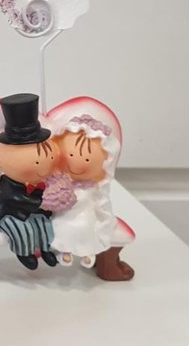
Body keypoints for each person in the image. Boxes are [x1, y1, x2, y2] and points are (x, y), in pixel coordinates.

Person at [0, 93, 58, 270]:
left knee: (44, 223)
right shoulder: (8, 186)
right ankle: (24, 252)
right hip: (8, 214)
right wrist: (43, 202)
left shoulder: (41, 183)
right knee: (22, 230)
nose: (43, 166)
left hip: (31, 212)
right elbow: (17, 199)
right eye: (36, 162)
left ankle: (46, 249)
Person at [49, 114, 120, 267]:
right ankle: (64, 250)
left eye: (87, 159)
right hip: (64, 216)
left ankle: (88, 251)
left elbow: (100, 203)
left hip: (86, 216)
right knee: (61, 226)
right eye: (71, 155)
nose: (77, 163)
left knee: (86, 227)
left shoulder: (93, 187)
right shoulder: (60, 182)